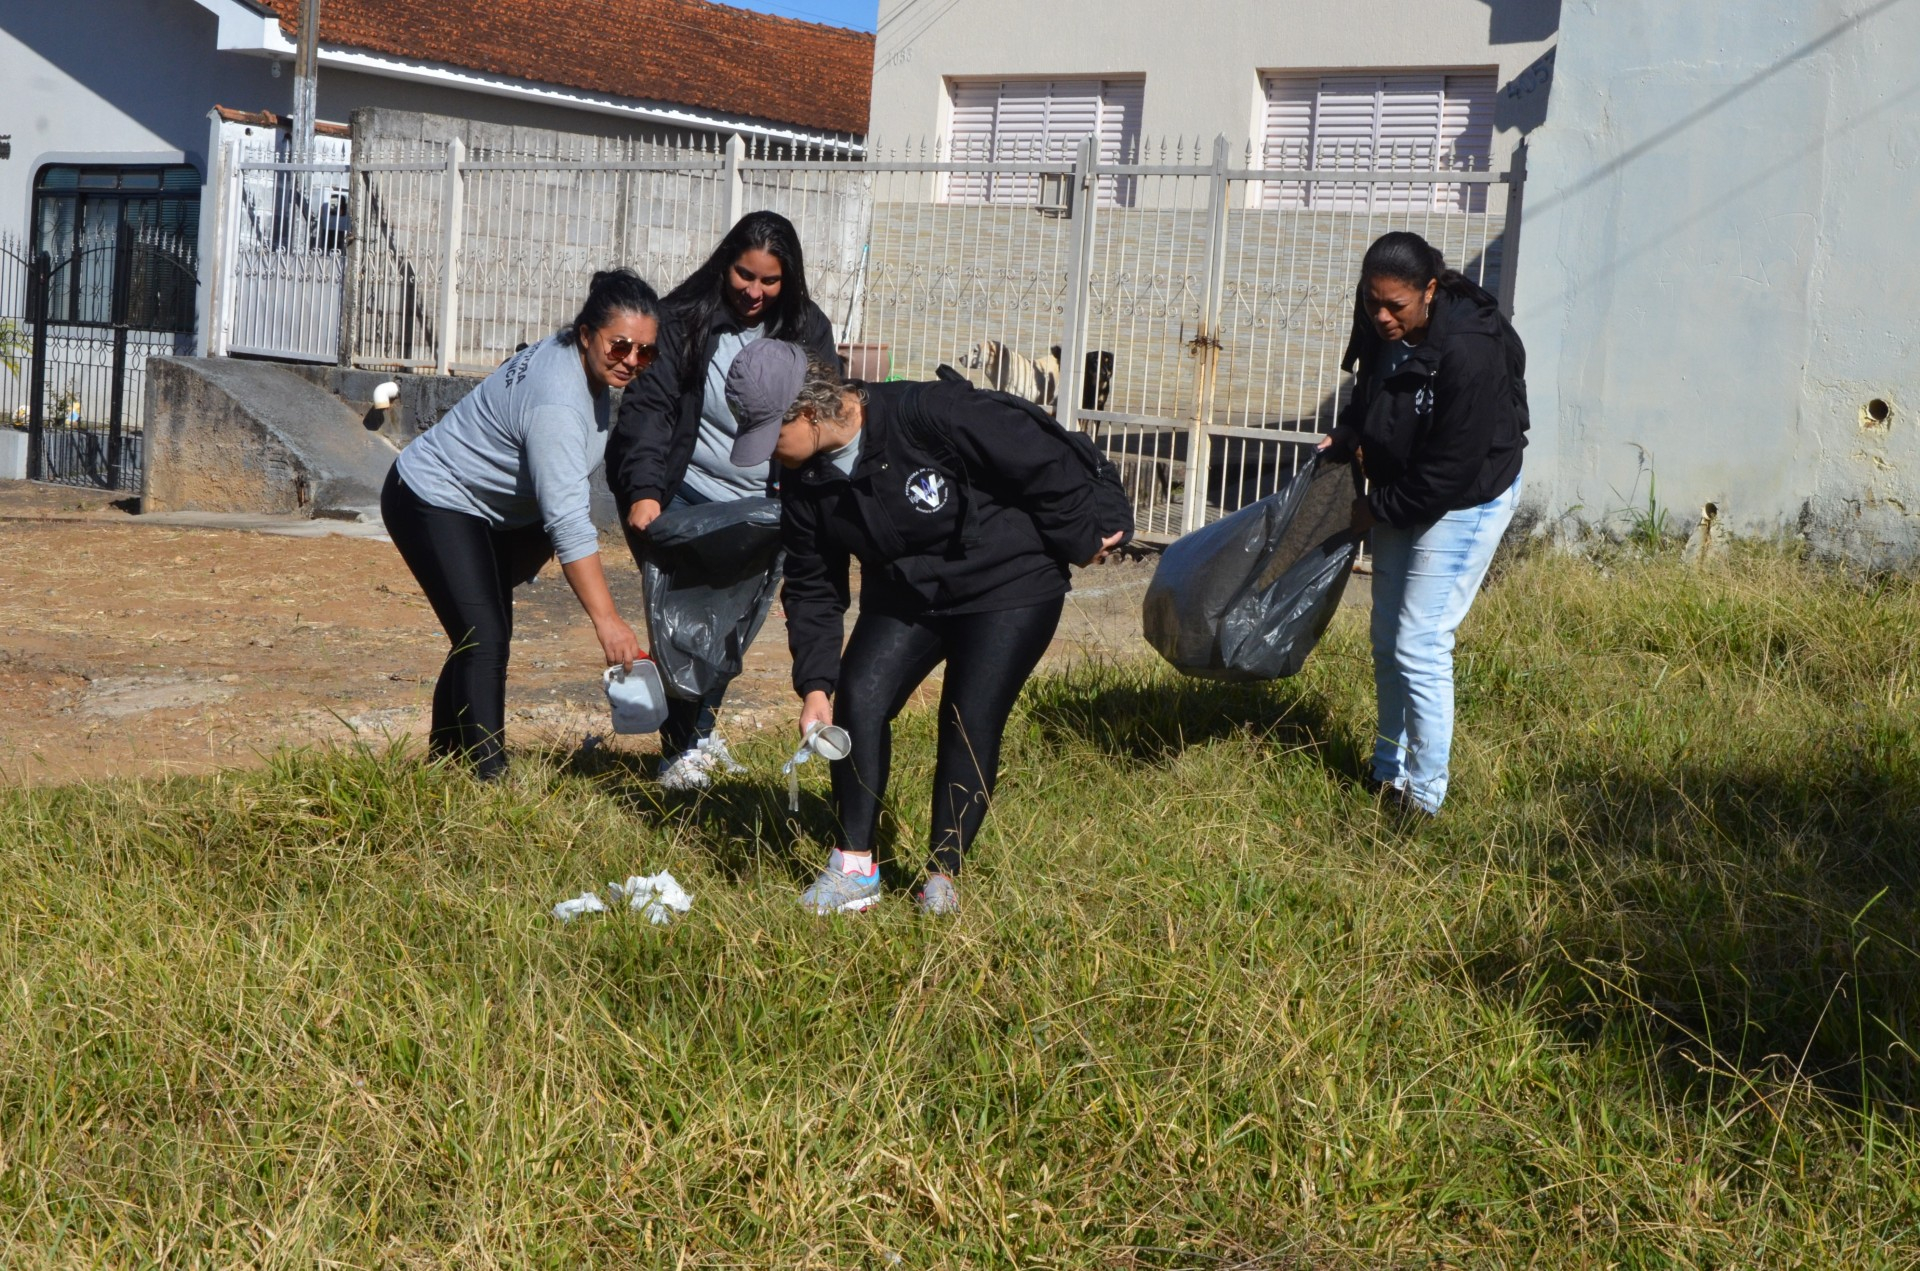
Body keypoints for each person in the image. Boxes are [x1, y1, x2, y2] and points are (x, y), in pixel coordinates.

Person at [723, 339, 1128, 915]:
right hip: (908, 593)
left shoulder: (930, 413)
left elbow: (1046, 457)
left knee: (967, 717)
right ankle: (854, 870)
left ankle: (942, 876)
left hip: (1007, 586)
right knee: (858, 699)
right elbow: (814, 584)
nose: (769, 453)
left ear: (809, 414)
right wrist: (816, 684)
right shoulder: (805, 479)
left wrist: (1086, 536)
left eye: (772, 435)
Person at [381, 269, 659, 780]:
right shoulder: (558, 400)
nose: (633, 362)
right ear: (586, 334)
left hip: (485, 512)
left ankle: (447, 763)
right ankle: (491, 779)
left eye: (646, 352)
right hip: (432, 497)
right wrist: (608, 622)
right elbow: (569, 522)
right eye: (621, 346)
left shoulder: (581, 364)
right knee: (485, 637)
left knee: (478, 634)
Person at [604, 211, 839, 789]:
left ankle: (695, 738)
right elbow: (649, 414)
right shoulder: (681, 321)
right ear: (724, 263)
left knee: (729, 627)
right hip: (685, 500)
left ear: (790, 280)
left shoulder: (808, 331)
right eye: (744, 275)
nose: (754, 292)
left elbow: (821, 418)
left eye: (769, 281)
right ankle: (684, 748)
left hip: (763, 510)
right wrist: (645, 492)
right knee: (687, 626)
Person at [1317, 230, 1528, 816]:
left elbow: (1451, 471)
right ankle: (1388, 771)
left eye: (1395, 306)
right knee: (1386, 639)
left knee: (1420, 642)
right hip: (1405, 487)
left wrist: (1374, 511)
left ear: (1428, 291)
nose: (1381, 317)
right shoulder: (1381, 320)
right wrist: (1351, 434)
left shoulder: (1470, 348)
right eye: (1371, 302)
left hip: (1466, 498)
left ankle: (1425, 797)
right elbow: (1370, 392)